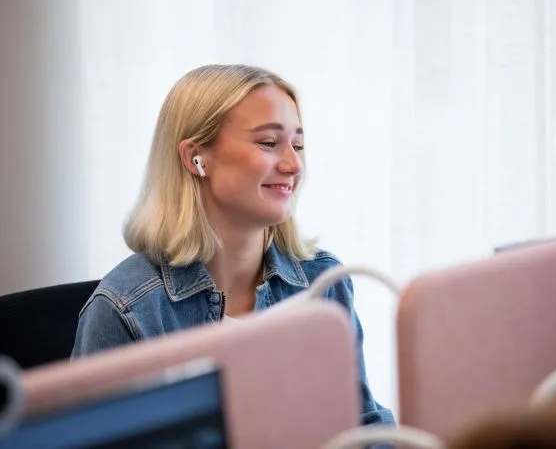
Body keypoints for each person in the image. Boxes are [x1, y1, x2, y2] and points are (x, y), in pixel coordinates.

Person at [71, 64, 395, 426]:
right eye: (268, 143)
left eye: (298, 145)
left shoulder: (324, 281)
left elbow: (362, 425)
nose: (293, 165)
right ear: (196, 158)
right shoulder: (124, 309)